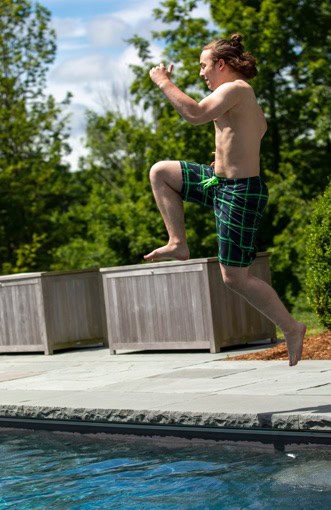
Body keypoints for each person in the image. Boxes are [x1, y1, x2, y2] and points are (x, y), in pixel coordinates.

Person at [144, 33, 306, 366]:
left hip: (241, 191)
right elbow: (253, 130)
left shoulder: (236, 89)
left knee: (235, 277)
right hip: (218, 182)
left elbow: (194, 113)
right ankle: (177, 242)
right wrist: (224, 156)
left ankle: (292, 327)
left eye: (204, 66)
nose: (201, 73)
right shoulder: (242, 99)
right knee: (161, 172)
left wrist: (163, 82)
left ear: (221, 64)